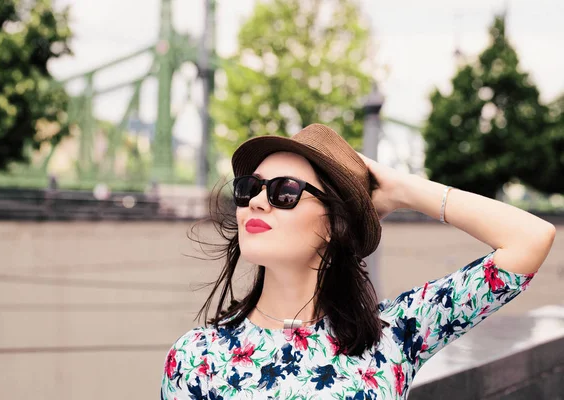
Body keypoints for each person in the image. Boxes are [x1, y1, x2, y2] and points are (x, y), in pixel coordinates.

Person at [160, 124, 555, 399]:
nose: (258, 202)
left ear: (334, 224)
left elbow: (530, 239)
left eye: (285, 192)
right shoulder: (196, 358)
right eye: (249, 189)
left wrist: (401, 188)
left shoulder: (394, 336)